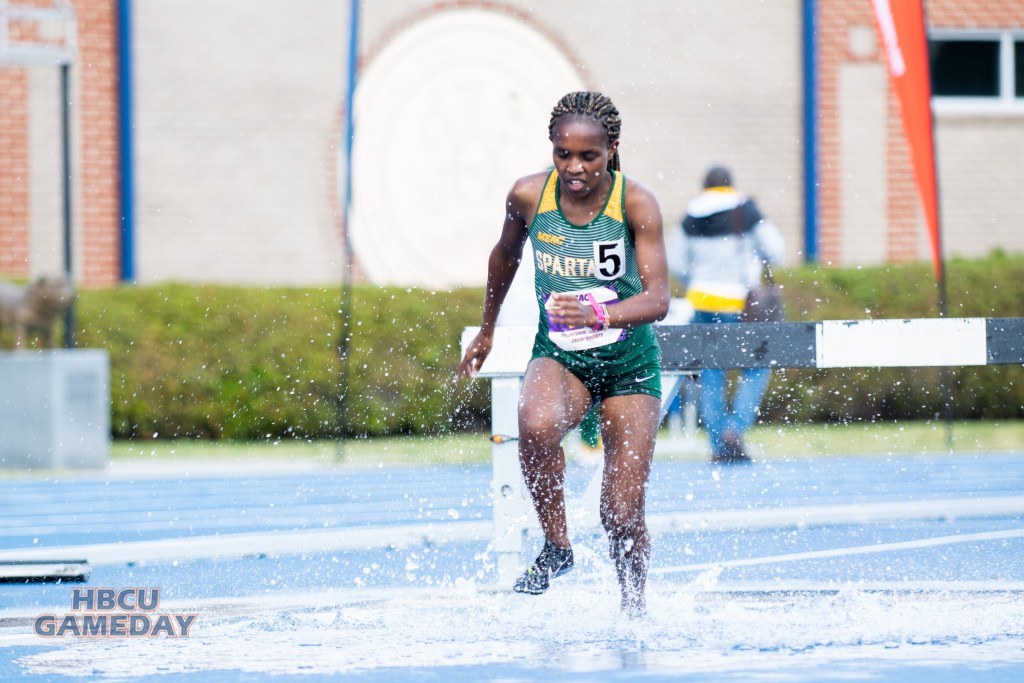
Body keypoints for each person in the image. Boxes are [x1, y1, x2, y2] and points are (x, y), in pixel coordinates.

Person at [458, 91, 670, 617]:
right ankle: (557, 545)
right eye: (563, 154)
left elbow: (658, 299)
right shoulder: (530, 196)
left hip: (628, 365)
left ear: (612, 150)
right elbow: (504, 256)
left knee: (621, 513)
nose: (574, 168)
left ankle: (634, 611)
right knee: (534, 421)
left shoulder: (635, 203)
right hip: (561, 356)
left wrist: (600, 315)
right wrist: (486, 329)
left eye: (588, 157)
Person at [670, 165, 785, 464]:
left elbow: (676, 261)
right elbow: (776, 249)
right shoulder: (745, 210)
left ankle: (719, 445)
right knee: (757, 366)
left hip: (701, 303)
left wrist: (697, 278)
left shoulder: (691, 215)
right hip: (738, 303)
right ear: (730, 184)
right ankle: (735, 427)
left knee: (710, 373)